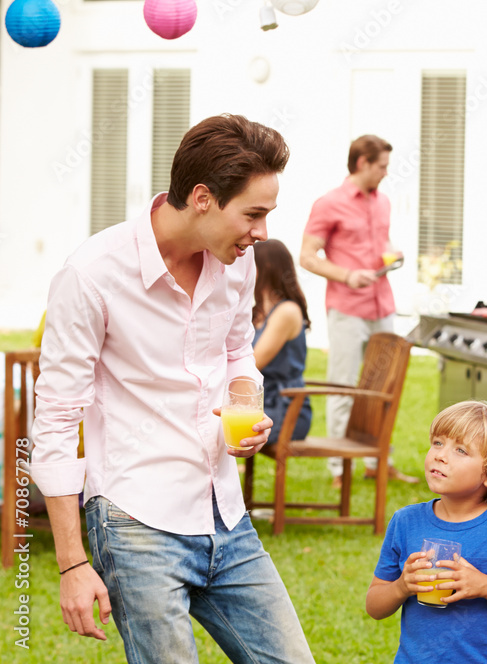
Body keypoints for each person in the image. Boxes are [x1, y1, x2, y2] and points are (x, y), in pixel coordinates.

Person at [30, 114, 315, 663]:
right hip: (136, 520)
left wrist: (246, 404)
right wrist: (71, 562)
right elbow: (58, 420)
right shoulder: (91, 275)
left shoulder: (238, 261)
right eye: (253, 214)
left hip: (224, 512)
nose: (262, 232)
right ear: (203, 197)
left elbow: (238, 353)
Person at [365, 401, 487, 664]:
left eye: (460, 450)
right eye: (438, 443)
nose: (440, 455)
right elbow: (374, 605)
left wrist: (485, 586)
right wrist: (401, 587)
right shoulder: (406, 521)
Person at [300, 133, 416, 487]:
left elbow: (381, 242)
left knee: (383, 386)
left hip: (382, 302)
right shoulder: (328, 203)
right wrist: (347, 275)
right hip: (348, 307)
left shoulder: (382, 202)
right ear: (363, 163)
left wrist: (392, 253)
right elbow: (307, 256)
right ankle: (339, 468)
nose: (385, 173)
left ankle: (377, 460)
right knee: (344, 385)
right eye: (381, 166)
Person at [252, 238, 312, 445]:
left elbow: (252, 362)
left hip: (285, 408)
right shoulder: (259, 311)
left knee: (209, 422)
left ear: (266, 267)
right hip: (260, 402)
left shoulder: (286, 311)